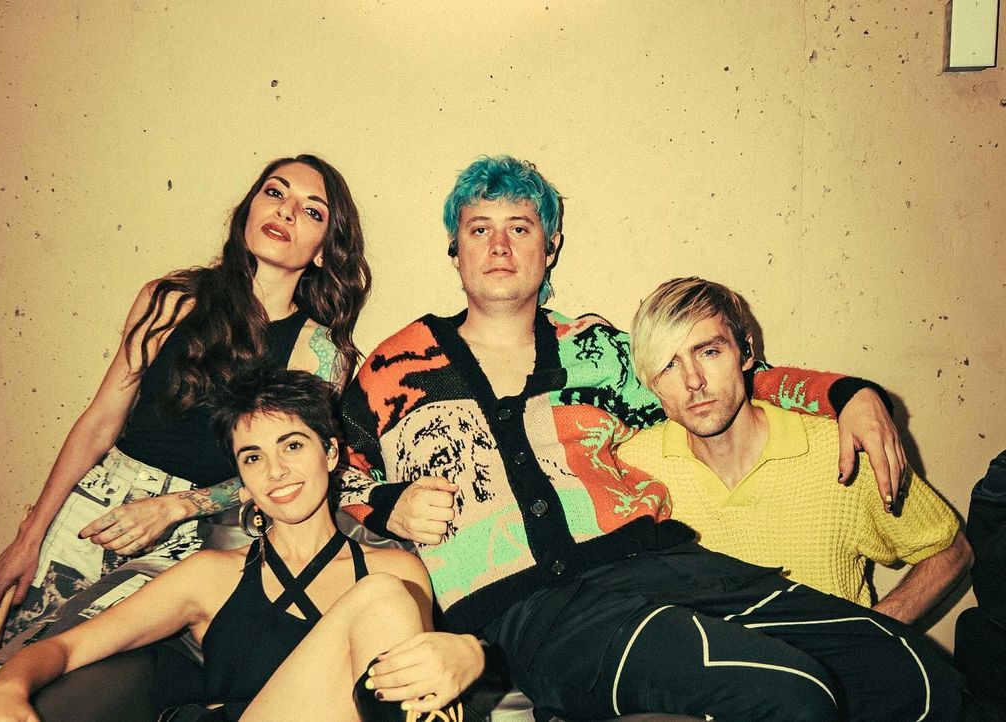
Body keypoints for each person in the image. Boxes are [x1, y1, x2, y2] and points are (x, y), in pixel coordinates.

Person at [338, 156, 964, 720]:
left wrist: (847, 394)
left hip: (663, 563)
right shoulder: (395, 364)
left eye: (520, 227)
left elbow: (727, 382)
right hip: (532, 615)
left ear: (550, 247)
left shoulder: (595, 349)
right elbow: (330, 470)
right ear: (455, 249)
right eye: (480, 229)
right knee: (794, 694)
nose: (500, 245)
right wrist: (388, 503)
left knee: (915, 677)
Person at [0, 154, 372, 705]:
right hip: (98, 506)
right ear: (250, 208)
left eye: (312, 210)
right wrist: (30, 536)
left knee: (82, 684)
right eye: (275, 193)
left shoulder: (320, 350)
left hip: (198, 532)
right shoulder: (172, 299)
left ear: (324, 248)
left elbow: (282, 474)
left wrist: (177, 506)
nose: (286, 211)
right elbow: (100, 421)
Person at [0, 367, 462, 722]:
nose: (276, 471)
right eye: (252, 457)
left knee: (384, 594)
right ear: (242, 475)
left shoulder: (397, 568)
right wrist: (7, 687)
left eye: (292, 446)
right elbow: (64, 647)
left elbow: (425, 687)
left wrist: (473, 656)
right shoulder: (211, 575)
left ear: (330, 454)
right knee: (382, 595)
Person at [619, 276, 973, 624]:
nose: (693, 380)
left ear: (746, 352)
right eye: (669, 364)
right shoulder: (632, 467)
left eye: (709, 352)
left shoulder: (841, 451)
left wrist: (868, 637)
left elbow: (952, 551)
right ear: (651, 381)